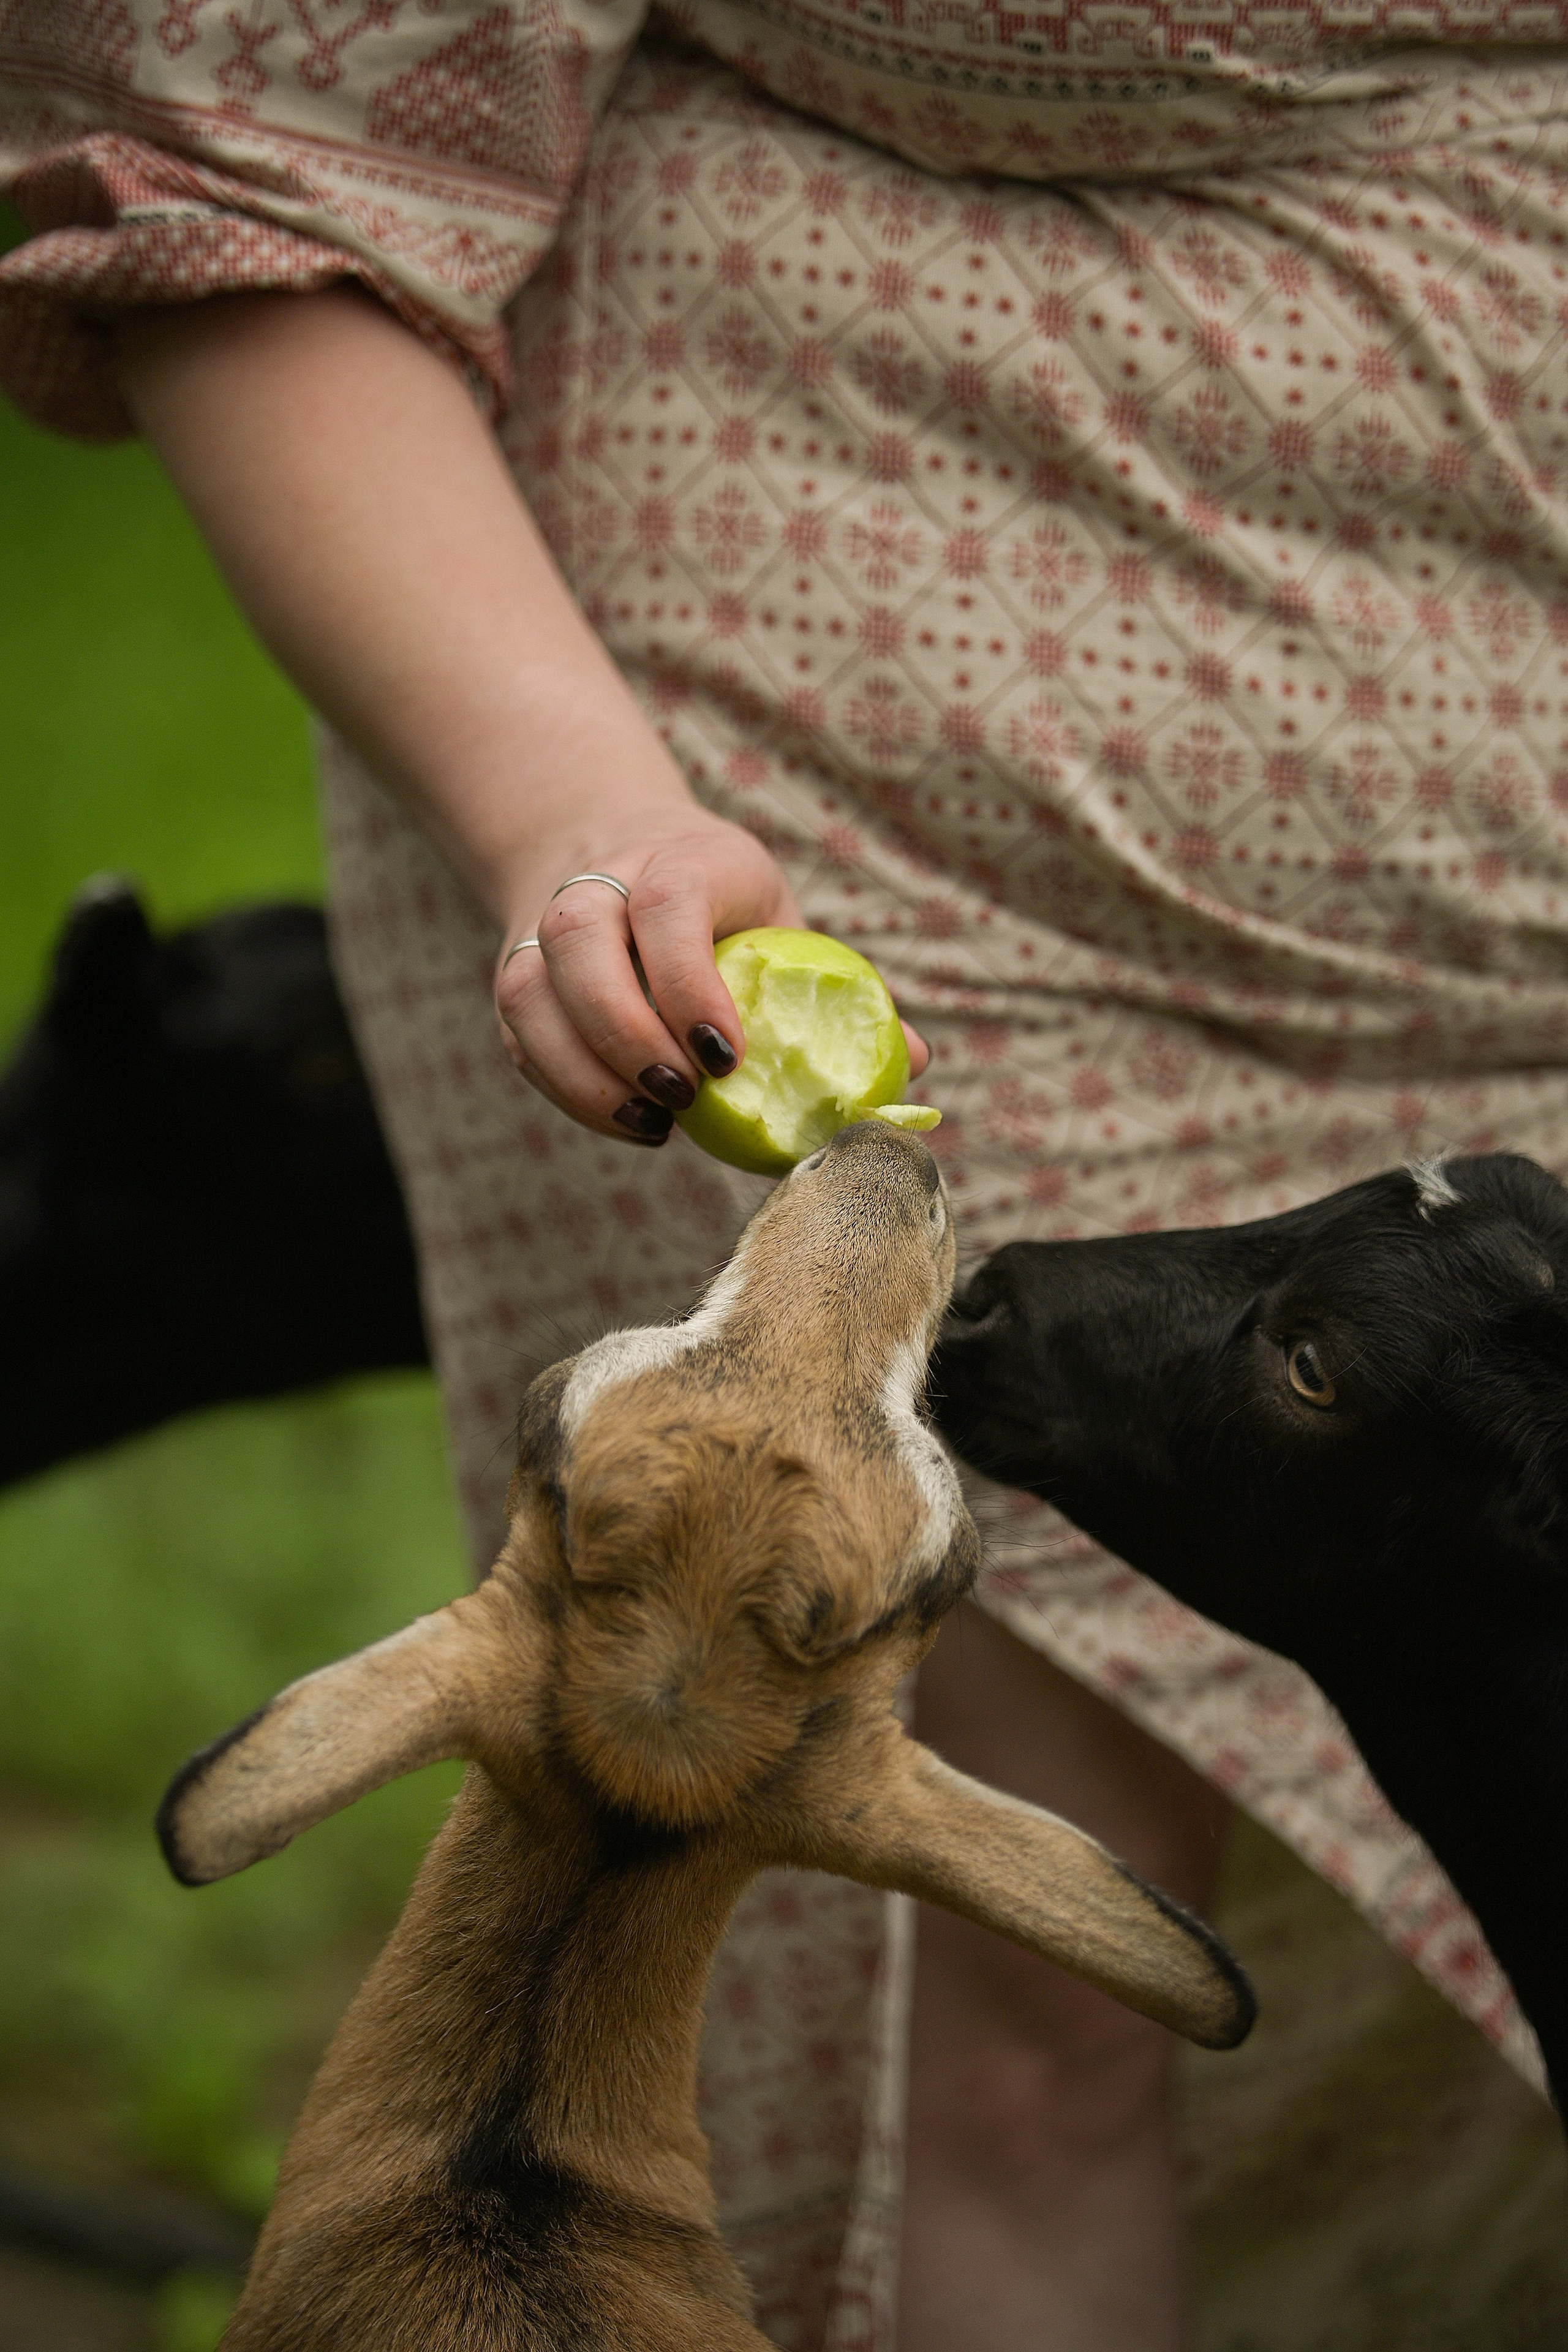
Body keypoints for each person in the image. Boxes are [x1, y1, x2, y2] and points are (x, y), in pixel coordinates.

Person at [4, 6, 1565, 2341]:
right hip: (885, 808)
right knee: (1033, 2038)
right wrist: (575, 812)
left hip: (1503, 841)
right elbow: (250, 151)